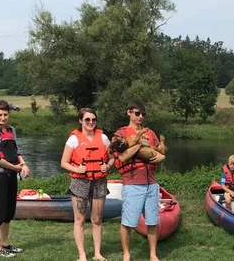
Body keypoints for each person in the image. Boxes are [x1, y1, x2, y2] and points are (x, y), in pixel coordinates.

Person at [112, 100, 166, 261]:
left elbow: (161, 152)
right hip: (132, 183)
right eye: (137, 113)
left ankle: (153, 254)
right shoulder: (120, 134)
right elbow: (122, 157)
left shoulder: (151, 133)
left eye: (143, 114)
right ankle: (127, 254)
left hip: (151, 183)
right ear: (128, 112)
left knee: (152, 221)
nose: (140, 117)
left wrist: (162, 156)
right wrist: (138, 145)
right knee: (128, 222)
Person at [60, 108, 115, 261]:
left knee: (97, 219)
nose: (91, 123)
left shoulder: (103, 138)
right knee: (80, 219)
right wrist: (77, 169)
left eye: (94, 120)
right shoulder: (73, 140)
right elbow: (64, 162)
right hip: (80, 182)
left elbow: (112, 158)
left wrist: (108, 166)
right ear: (80, 121)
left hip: (99, 182)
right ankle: (82, 255)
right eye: (87, 120)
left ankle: (97, 253)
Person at [0, 99, 29, 258]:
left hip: (11, 175)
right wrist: (15, 167)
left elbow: (17, 151)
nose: (3, 118)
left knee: (9, 211)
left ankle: (5, 243)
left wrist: (23, 164)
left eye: (5, 114)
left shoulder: (11, 130)